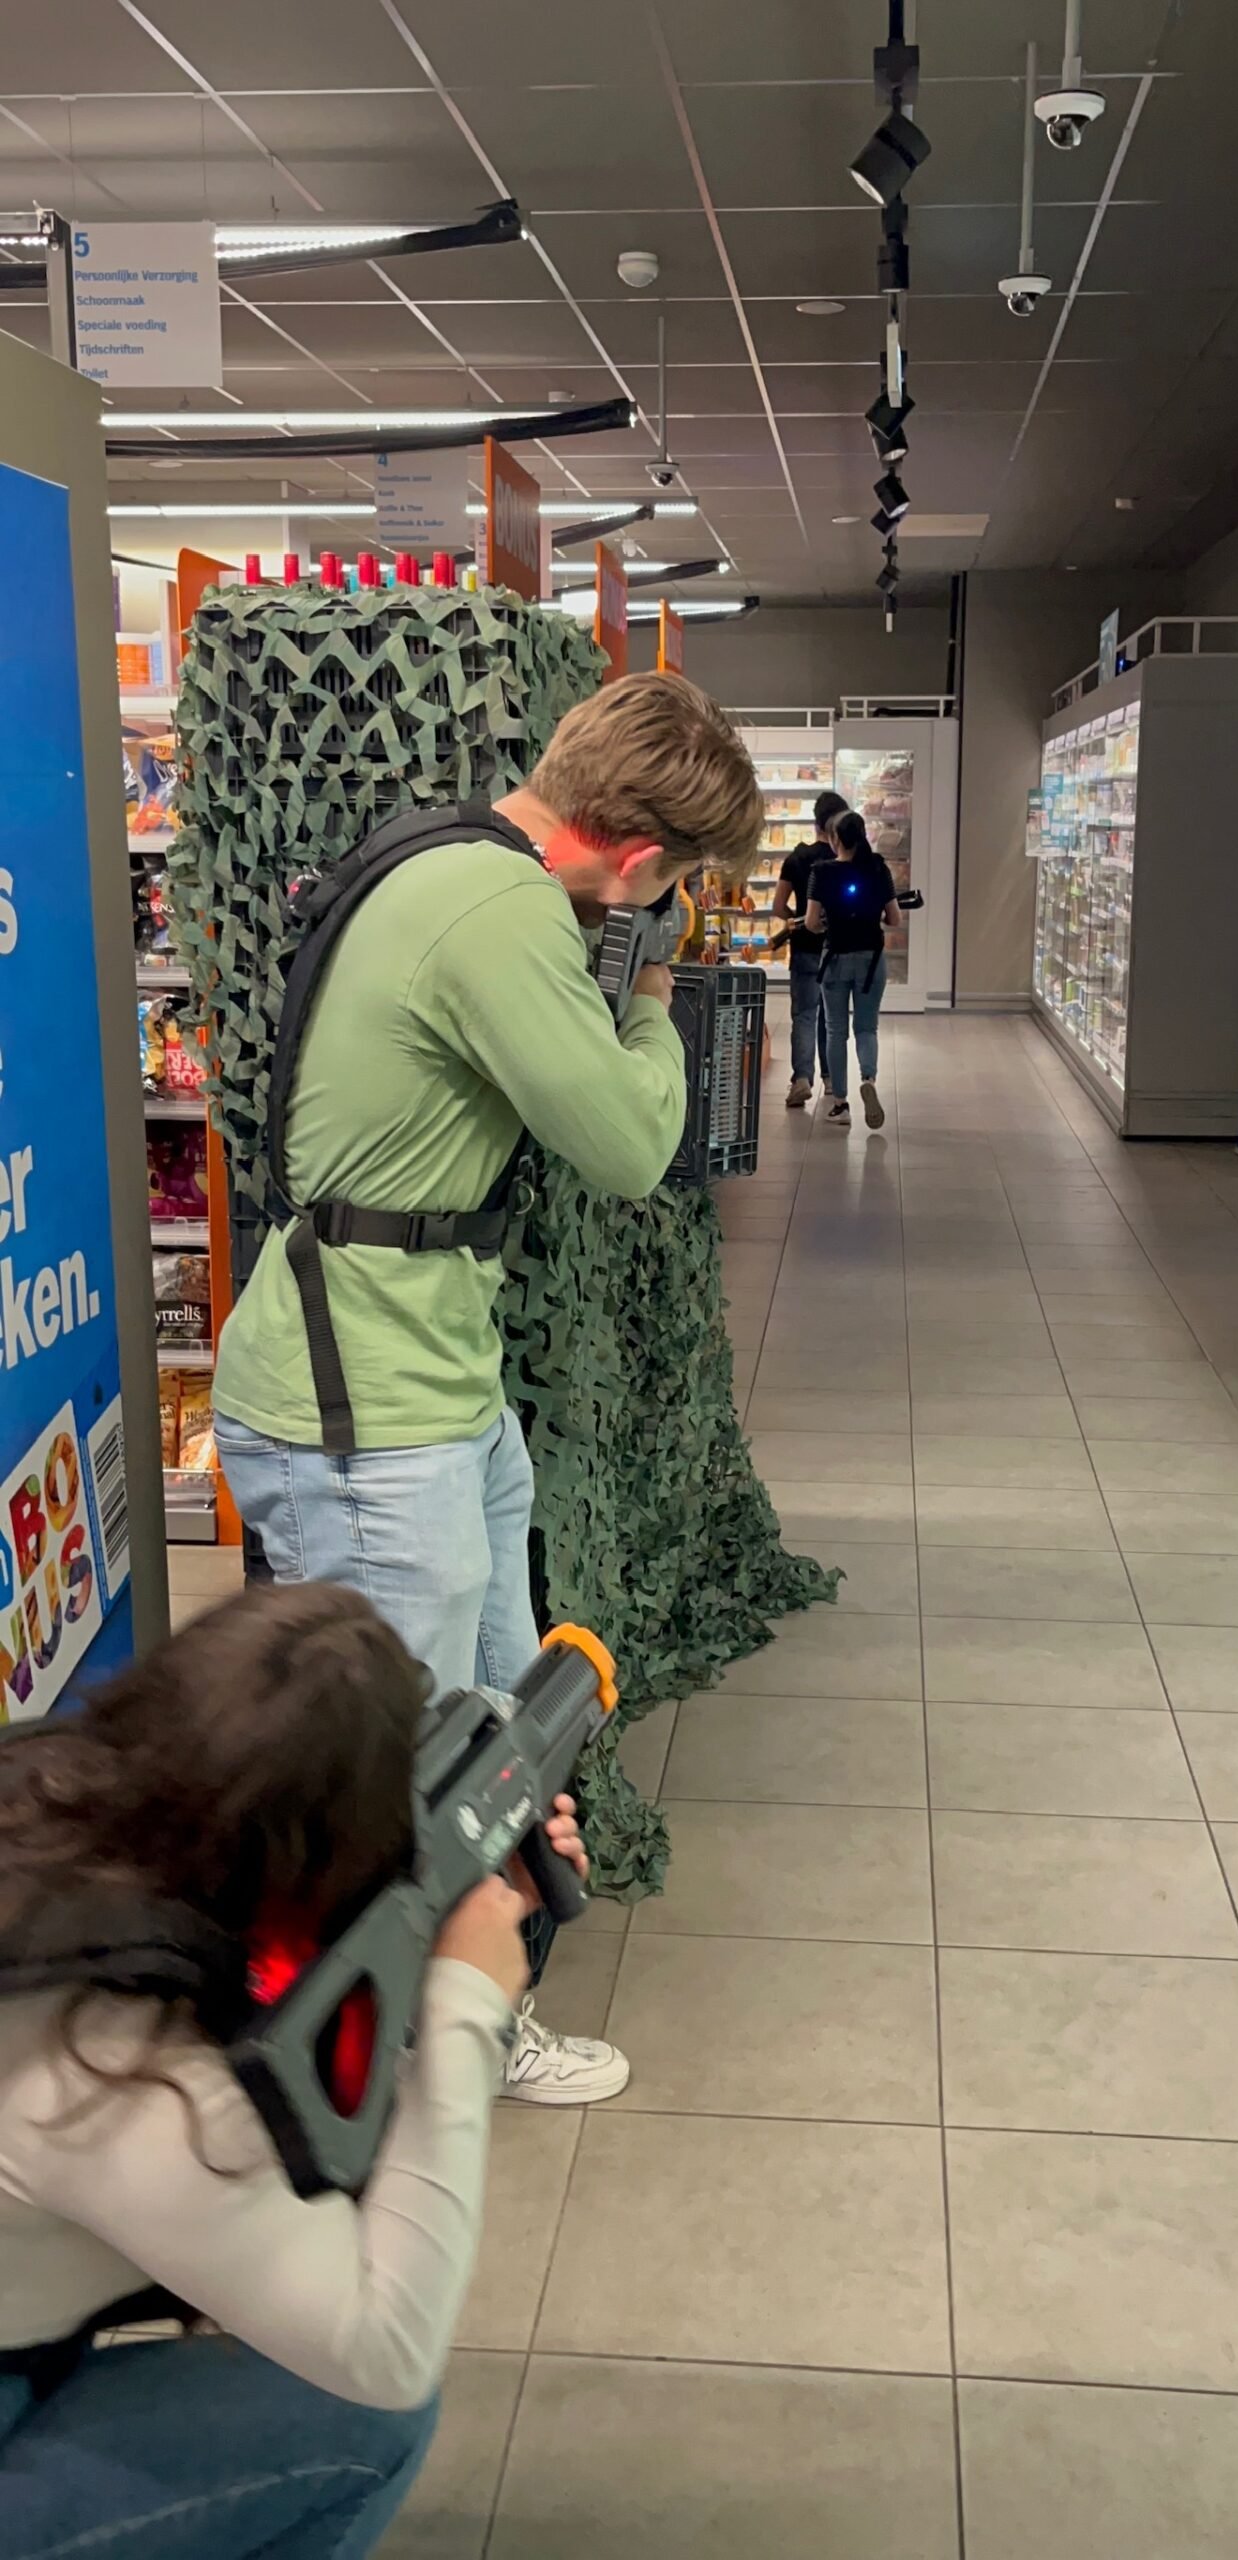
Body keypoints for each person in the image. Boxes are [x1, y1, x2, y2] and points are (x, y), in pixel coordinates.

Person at [213, 673, 763, 2104]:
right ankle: (371, 2085)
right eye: (674, 884)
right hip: (368, 1414)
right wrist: (649, 987)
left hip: (423, 1390)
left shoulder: (447, 855)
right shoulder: (508, 911)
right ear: (641, 864)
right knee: (402, 1778)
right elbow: (637, 1141)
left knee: (497, 1741)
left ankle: (457, 2013)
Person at [0, 1580, 589, 2558]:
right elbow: (384, 2346)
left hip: (28, 2307)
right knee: (356, 2424)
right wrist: (458, 2008)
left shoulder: (54, 1796)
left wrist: (440, 1901)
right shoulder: (130, 2085)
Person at [805, 810, 901, 1131]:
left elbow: (810, 923)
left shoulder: (822, 872)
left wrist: (825, 926)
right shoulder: (878, 869)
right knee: (866, 1027)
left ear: (834, 839)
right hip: (871, 959)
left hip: (835, 959)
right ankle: (869, 1078)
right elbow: (895, 919)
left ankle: (841, 1103)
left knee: (835, 1030)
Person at [773, 788, 847, 1108]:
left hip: (804, 948)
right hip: (836, 949)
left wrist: (796, 920)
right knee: (831, 1016)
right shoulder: (845, 861)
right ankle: (831, 1080)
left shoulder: (797, 858)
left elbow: (778, 906)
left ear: (815, 822)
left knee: (804, 1014)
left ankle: (801, 1079)